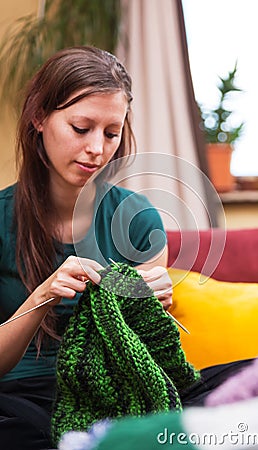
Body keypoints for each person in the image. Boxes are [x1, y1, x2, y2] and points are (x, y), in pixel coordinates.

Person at [0, 46, 172, 450]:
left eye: (112, 133)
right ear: (39, 118)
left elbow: (142, 363)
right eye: (81, 128)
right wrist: (43, 294)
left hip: (111, 397)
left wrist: (151, 306)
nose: (98, 149)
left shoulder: (140, 220)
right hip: (17, 401)